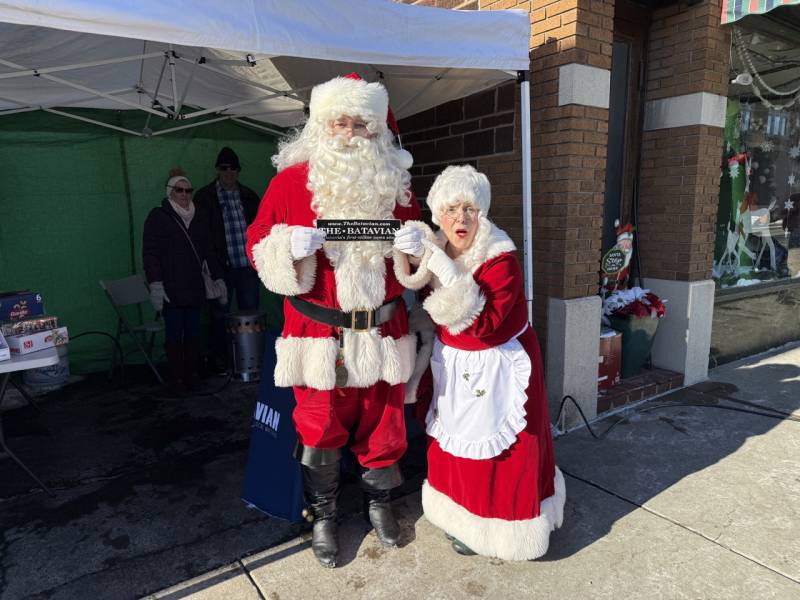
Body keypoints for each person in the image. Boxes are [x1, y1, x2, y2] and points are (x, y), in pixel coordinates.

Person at [245, 74, 430, 568]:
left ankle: (380, 505)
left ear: (377, 132)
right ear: (322, 129)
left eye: (361, 125)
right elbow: (256, 244)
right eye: (340, 123)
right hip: (318, 333)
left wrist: (418, 247)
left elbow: (418, 250)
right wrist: (286, 248)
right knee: (319, 425)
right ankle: (324, 515)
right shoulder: (288, 184)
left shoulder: (398, 187)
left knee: (386, 425)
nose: (350, 134)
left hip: (384, 330)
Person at [394, 165, 565, 561]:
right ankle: (459, 516)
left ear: (481, 214)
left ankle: (507, 527)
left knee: (502, 451)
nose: (461, 219)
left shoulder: (500, 259)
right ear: (438, 214)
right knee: (455, 442)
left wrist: (444, 270)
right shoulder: (436, 248)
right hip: (454, 364)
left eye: (469, 209)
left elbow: (486, 325)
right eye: (452, 209)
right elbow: (424, 304)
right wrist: (415, 258)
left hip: (500, 364)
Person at [143, 168, 227, 395]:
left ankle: (192, 375)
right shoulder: (158, 217)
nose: (184, 194)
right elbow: (150, 254)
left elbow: (209, 250)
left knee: (193, 332)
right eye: (179, 190)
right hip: (171, 286)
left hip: (194, 285)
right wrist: (155, 284)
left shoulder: (199, 215)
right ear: (170, 192)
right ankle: (176, 378)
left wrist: (219, 279)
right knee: (174, 334)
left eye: (188, 190)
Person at [193, 147, 262, 373]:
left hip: (247, 268)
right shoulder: (204, 197)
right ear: (217, 170)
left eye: (233, 168)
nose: (229, 172)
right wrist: (210, 266)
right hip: (220, 268)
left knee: (250, 315)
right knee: (218, 316)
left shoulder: (250, 196)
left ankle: (251, 360)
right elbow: (200, 235)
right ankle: (222, 362)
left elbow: (262, 229)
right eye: (224, 168)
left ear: (238, 171)